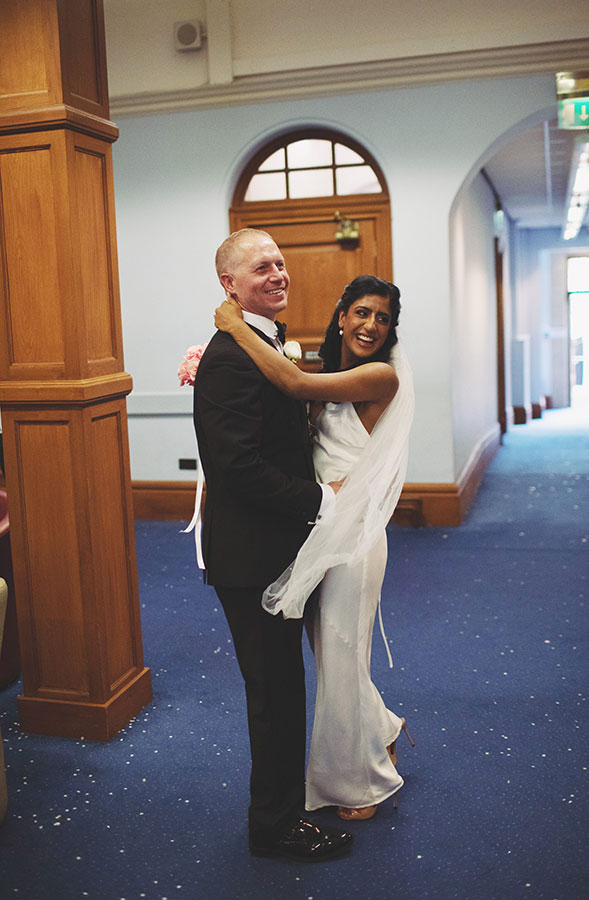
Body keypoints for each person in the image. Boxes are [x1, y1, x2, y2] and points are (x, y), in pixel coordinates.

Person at [214, 274, 415, 821]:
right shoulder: (328, 370)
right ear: (342, 314)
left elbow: (294, 388)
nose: (371, 325)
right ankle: (383, 726)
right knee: (331, 652)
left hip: (355, 537)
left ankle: (359, 782)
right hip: (316, 526)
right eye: (362, 313)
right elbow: (286, 397)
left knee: (344, 656)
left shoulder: (379, 376)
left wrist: (236, 326)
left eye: (383, 318)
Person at [192, 228, 353, 861]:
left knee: (283, 688)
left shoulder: (266, 344)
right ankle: (276, 825)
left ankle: (286, 806)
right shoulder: (231, 357)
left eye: (281, 263)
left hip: (279, 546)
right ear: (229, 286)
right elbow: (235, 465)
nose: (278, 274)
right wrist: (322, 500)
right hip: (251, 555)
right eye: (261, 268)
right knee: (276, 695)